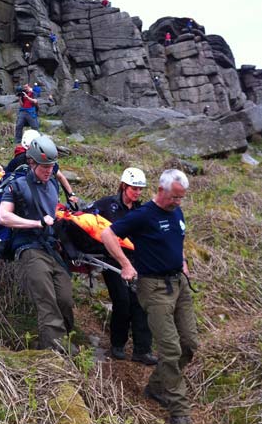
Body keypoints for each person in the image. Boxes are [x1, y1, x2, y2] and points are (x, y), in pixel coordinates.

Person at [100, 169, 198, 424]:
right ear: (162, 190)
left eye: (181, 198)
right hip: (153, 288)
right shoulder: (143, 216)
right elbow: (107, 234)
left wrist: (183, 260)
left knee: (188, 345)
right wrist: (125, 264)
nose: (178, 202)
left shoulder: (177, 211)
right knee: (170, 348)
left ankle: (155, 386)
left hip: (180, 285)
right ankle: (179, 411)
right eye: (175, 197)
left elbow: (179, 239)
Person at [0, 136, 76, 352]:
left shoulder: (52, 182)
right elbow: (3, 217)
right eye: (44, 166)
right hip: (29, 247)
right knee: (47, 301)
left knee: (65, 299)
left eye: (51, 166)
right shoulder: (17, 186)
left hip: (51, 248)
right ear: (32, 163)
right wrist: (36, 222)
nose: (49, 170)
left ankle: (67, 339)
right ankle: (55, 352)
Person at [87, 168, 157, 365]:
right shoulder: (108, 205)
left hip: (136, 262)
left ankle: (142, 350)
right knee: (122, 301)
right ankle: (117, 345)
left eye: (140, 189)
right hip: (111, 261)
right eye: (134, 188)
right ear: (124, 186)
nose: (137, 193)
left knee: (141, 303)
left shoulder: (140, 211)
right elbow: (87, 217)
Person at [6, 129, 78, 206]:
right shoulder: (19, 160)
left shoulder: (46, 159)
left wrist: (71, 194)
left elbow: (60, 177)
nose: (49, 170)